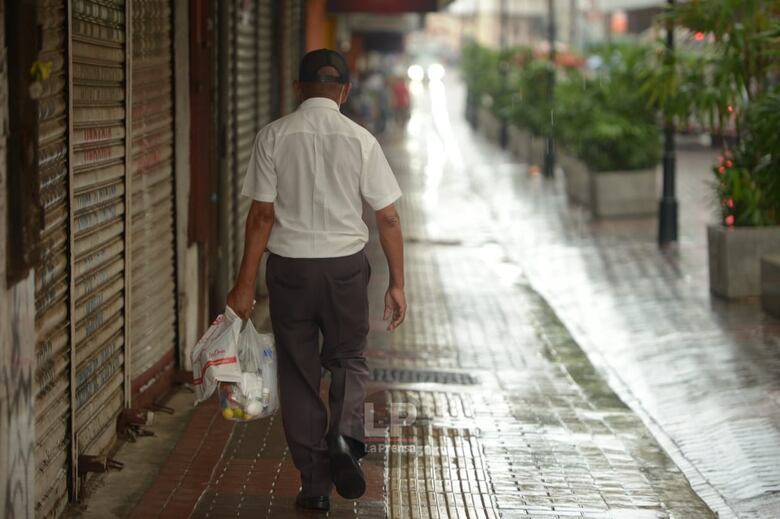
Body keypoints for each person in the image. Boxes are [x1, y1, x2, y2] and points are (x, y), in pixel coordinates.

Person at [226, 49, 407, 513]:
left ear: (297, 88)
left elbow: (261, 215)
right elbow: (387, 217)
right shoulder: (361, 140)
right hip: (345, 270)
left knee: (299, 374)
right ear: (345, 91)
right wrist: (397, 283)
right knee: (348, 359)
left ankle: (314, 485)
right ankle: (344, 437)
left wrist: (244, 284)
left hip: (290, 272)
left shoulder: (273, 136)